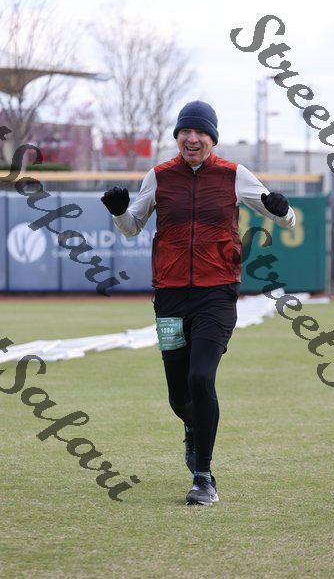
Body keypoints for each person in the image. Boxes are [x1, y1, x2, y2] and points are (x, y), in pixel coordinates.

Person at [101, 101, 295, 506]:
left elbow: (284, 218)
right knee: (179, 397)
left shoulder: (234, 175)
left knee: (201, 379)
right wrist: (119, 212)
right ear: (177, 137)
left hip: (216, 295)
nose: (192, 139)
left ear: (212, 138)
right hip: (170, 298)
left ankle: (203, 477)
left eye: (200, 133)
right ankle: (193, 429)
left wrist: (284, 210)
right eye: (185, 132)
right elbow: (131, 227)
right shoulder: (158, 176)